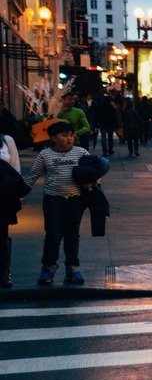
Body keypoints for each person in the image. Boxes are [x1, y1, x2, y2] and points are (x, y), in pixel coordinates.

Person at [24, 121, 90, 285]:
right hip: (53, 199)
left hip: (75, 199)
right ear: (53, 138)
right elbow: (33, 176)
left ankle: (73, 269)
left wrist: (92, 183)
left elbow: (94, 172)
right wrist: (19, 193)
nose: (69, 138)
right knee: (53, 235)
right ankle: (48, 269)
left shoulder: (81, 152)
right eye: (64, 135)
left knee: (72, 235)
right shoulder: (45, 155)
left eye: (71, 135)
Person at [0, 122, 21, 287]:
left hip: (3, 195)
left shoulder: (6, 140)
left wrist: (18, 193)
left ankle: (4, 272)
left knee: (2, 235)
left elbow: (15, 168)